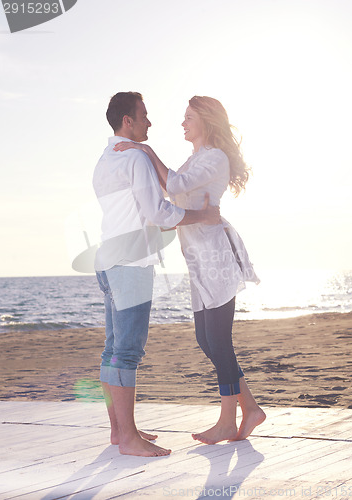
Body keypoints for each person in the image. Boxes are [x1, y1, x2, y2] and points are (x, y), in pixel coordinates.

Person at [113, 95, 266, 445]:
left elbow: (175, 186)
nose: (182, 123)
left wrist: (145, 152)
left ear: (206, 122)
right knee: (205, 338)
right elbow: (171, 199)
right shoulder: (197, 157)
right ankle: (251, 408)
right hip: (197, 260)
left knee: (219, 341)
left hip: (215, 257)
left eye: (188, 117)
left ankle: (229, 420)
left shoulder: (214, 158)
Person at [93, 92, 220, 457]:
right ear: (127, 122)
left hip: (107, 260)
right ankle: (128, 439)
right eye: (144, 116)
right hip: (130, 265)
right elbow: (159, 213)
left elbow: (138, 213)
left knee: (112, 350)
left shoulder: (104, 160)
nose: (150, 122)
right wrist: (202, 217)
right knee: (127, 352)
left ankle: (120, 431)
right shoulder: (134, 157)